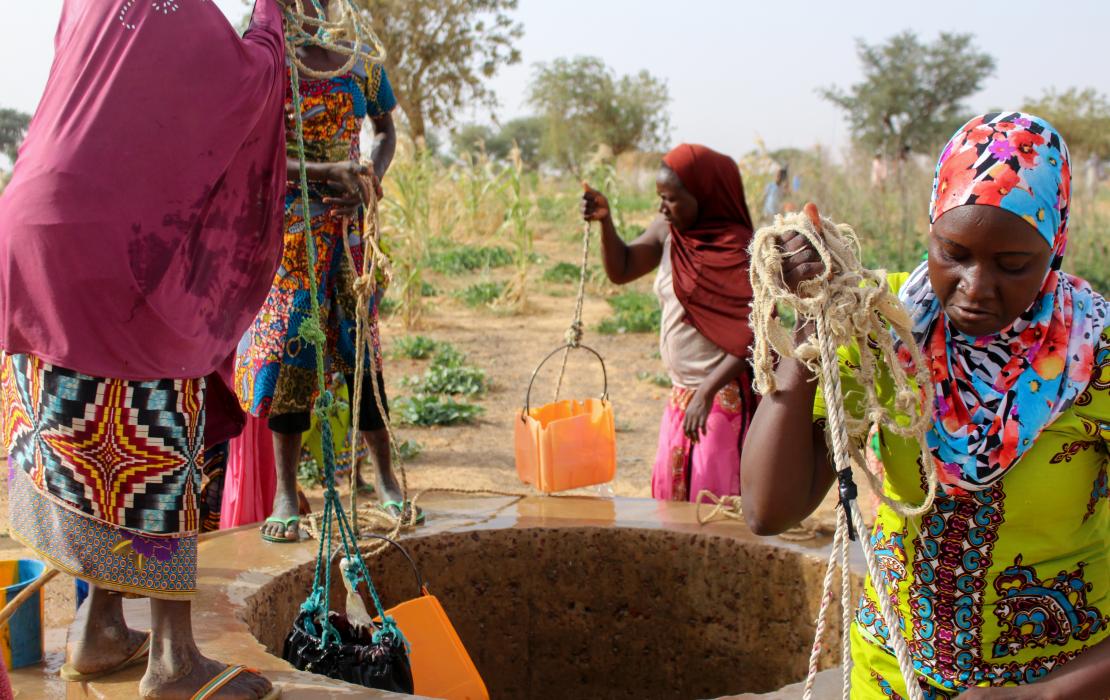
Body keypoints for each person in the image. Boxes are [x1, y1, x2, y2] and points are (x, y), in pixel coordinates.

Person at [742, 112, 1110, 697]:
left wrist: (1036, 696)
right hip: (889, 680)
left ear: (1055, 249)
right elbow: (768, 509)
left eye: (1013, 265)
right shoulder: (885, 328)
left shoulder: (1097, 356)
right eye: (953, 252)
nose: (975, 287)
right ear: (930, 231)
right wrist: (814, 323)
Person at [0, 1, 289, 698]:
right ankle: (171, 661)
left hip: (28, 235)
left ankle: (97, 631)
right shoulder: (185, 16)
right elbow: (249, 85)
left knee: (88, 439)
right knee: (157, 431)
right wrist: (269, 18)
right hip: (114, 254)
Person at [235, 0, 404, 544]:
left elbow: (385, 130)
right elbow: (251, 156)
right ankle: (286, 490)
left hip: (352, 235)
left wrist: (369, 178)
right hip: (291, 233)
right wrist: (328, 170)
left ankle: (384, 478)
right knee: (292, 349)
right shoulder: (266, 63)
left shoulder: (359, 61)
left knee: (361, 350)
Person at [582, 144, 759, 502]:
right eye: (660, 197)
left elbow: (754, 335)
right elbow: (624, 268)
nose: (663, 207)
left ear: (704, 195)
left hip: (721, 397)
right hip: (682, 394)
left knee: (713, 503)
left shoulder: (737, 251)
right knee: (671, 498)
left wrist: (707, 391)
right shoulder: (669, 232)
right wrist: (606, 221)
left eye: (672, 199)